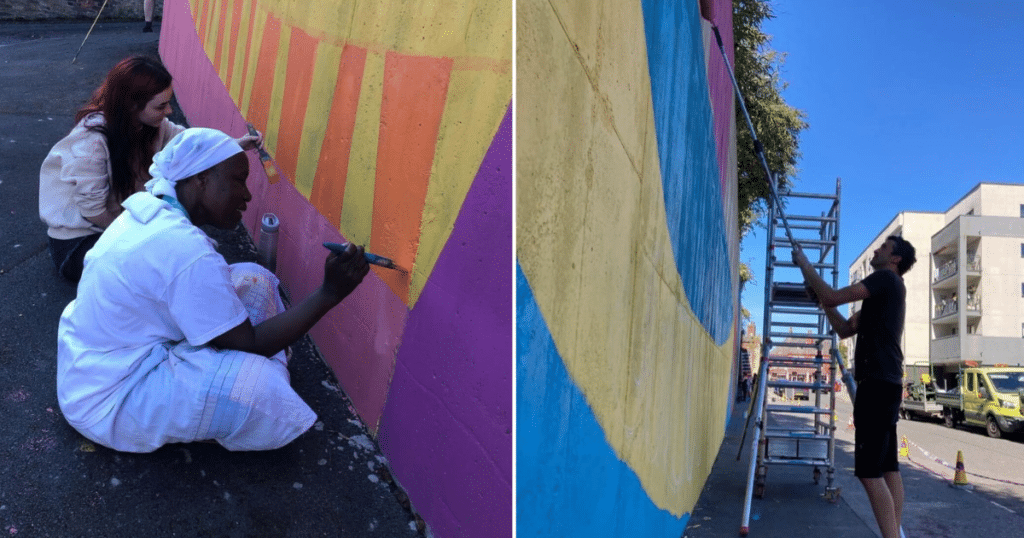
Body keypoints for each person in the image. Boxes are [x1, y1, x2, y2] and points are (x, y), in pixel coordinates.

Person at [56, 127, 369, 452]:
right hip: (110, 397)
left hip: (90, 367)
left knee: (254, 278)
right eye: (238, 180)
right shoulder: (184, 248)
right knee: (262, 386)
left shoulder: (152, 207)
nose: (247, 195)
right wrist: (330, 293)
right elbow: (252, 344)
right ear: (201, 180)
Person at [38, 55, 260, 282]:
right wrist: (147, 238)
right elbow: (94, 212)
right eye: (161, 106)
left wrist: (235, 145)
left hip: (113, 230)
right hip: (77, 245)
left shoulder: (154, 126)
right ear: (132, 105)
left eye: (168, 102)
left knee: (173, 259)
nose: (169, 111)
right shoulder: (91, 141)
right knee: (167, 265)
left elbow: (190, 146)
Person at [792, 235, 916, 538]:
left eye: (883, 248)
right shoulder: (887, 291)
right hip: (886, 383)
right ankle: (895, 533)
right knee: (888, 467)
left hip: (877, 384)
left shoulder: (885, 279)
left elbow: (834, 296)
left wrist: (805, 265)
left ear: (895, 259)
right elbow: (846, 328)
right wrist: (822, 302)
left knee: (869, 473)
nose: (876, 250)